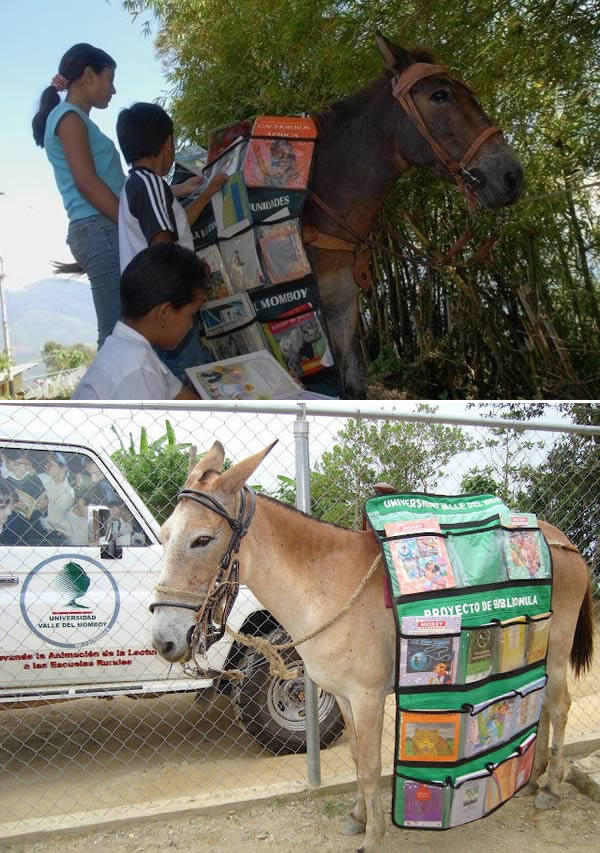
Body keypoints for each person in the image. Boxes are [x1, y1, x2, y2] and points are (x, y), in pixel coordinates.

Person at [116, 101, 227, 379]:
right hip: (169, 312)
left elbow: (175, 229)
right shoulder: (151, 184)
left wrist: (206, 193)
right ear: (167, 144)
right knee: (192, 377)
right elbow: (163, 247)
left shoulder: (136, 185)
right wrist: (195, 276)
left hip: (157, 312)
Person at [32, 43, 125, 346]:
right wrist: (131, 223)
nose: (113, 89)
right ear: (88, 75)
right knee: (116, 336)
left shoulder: (77, 119)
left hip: (101, 226)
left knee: (123, 333)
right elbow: (87, 182)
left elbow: (114, 182)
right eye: (109, 79)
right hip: (99, 227)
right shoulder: (68, 117)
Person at [72, 243, 209, 400]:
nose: (192, 324)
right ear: (164, 313)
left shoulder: (127, 347)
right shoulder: (137, 370)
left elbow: (180, 396)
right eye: (192, 314)